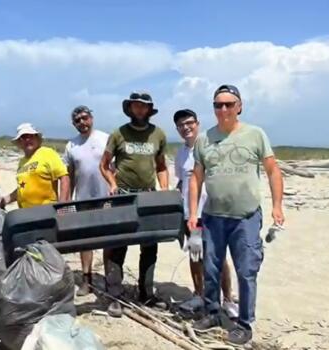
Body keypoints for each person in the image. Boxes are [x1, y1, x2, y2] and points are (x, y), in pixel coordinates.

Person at [188, 85, 284, 345]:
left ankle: (244, 322)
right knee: (211, 268)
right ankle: (212, 312)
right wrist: (193, 213)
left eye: (229, 104)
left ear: (239, 106)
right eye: (218, 105)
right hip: (212, 217)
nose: (223, 109)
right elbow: (196, 179)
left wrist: (277, 206)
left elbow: (273, 171)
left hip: (246, 217)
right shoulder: (204, 139)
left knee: (246, 271)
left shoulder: (255, 135)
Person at [99, 91, 169, 317]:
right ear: (130, 109)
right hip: (123, 196)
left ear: (149, 109)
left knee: (149, 247)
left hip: (149, 195)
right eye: (136, 106)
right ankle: (115, 296)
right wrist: (111, 182)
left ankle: (146, 294)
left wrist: (164, 191)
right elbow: (104, 164)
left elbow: (161, 166)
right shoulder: (119, 133)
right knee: (118, 246)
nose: (139, 110)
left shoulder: (158, 134)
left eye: (144, 106)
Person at [172, 109, 238, 318]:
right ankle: (199, 294)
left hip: (211, 212)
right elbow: (182, 181)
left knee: (218, 257)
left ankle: (227, 299)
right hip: (190, 214)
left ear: (197, 123)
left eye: (189, 123)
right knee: (195, 255)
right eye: (181, 125)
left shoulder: (210, 147)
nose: (186, 128)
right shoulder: (180, 153)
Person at [63, 106, 109, 296]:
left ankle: (110, 280)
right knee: (85, 242)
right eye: (77, 120)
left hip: (106, 197)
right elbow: (69, 176)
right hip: (82, 199)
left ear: (91, 118)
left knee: (109, 241)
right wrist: (65, 202)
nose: (82, 122)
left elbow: (114, 167)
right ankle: (86, 280)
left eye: (84, 118)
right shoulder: (71, 145)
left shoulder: (105, 139)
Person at [0, 123, 70, 209]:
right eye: (24, 137)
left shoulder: (47, 153)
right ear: (19, 142)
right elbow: (22, 188)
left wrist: (62, 206)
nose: (27, 139)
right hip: (25, 213)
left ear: (37, 138)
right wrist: (6, 199)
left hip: (47, 211)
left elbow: (64, 178)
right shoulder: (22, 162)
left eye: (31, 136)